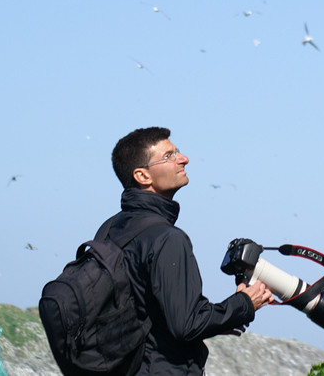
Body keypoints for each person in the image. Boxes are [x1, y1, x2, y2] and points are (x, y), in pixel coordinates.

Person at [108, 126, 273, 375]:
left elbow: (152, 312)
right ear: (143, 176)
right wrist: (246, 303)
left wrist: (219, 319)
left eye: (178, 152)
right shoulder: (167, 239)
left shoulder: (113, 229)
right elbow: (186, 325)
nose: (183, 159)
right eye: (169, 156)